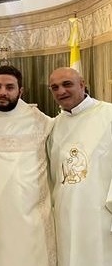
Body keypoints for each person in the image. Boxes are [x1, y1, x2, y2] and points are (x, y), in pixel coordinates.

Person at [0, 65, 56, 266]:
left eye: (9, 87)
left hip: (32, 218)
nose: (2, 92)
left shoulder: (41, 121)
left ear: (20, 91)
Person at [47, 67, 112, 265]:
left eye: (67, 84)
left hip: (100, 213)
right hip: (64, 215)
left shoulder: (108, 115)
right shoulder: (54, 126)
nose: (61, 91)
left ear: (82, 84)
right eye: (54, 87)